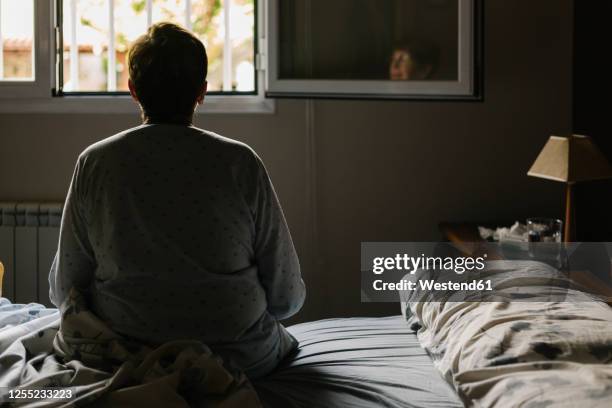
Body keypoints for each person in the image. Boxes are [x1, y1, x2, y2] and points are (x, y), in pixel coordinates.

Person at [48, 22, 306, 379]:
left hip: (126, 357)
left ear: (133, 91)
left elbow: (64, 290)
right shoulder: (240, 162)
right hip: (239, 360)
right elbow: (287, 298)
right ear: (201, 92)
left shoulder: (95, 163)